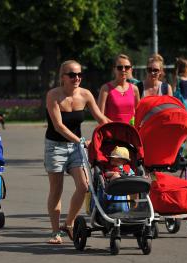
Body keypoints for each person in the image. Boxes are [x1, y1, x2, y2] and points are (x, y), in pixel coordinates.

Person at [45, 60, 110, 244]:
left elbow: (100, 117)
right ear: (62, 77)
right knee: (56, 190)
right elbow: (58, 126)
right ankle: (55, 232)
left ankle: (69, 223)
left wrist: (116, 129)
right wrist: (81, 141)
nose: (77, 78)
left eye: (79, 74)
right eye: (72, 75)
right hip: (55, 146)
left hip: (76, 148)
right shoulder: (53, 95)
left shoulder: (86, 94)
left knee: (84, 186)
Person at [97, 54, 141, 123]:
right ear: (114, 69)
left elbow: (139, 114)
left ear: (131, 69)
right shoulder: (105, 88)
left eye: (127, 67)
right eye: (120, 67)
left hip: (130, 131)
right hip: (111, 131)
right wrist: (116, 126)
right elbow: (99, 115)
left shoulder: (134, 89)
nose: (123, 70)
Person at [173, 57, 187, 159]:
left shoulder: (178, 79)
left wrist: (177, 65)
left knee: (184, 129)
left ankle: (183, 151)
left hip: (183, 103)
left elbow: (173, 89)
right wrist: (184, 62)